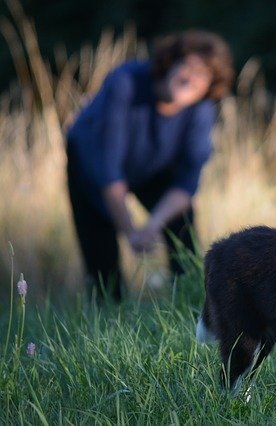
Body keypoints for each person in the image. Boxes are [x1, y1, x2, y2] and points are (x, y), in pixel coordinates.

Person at [66, 30, 234, 303]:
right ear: (170, 64)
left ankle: (192, 307)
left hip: (153, 169)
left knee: (183, 233)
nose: (190, 78)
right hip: (91, 167)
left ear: (209, 88)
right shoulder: (126, 82)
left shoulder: (201, 110)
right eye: (188, 67)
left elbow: (186, 183)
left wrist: (153, 225)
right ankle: (107, 322)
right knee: (102, 265)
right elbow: (109, 171)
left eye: (202, 75)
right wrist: (131, 231)